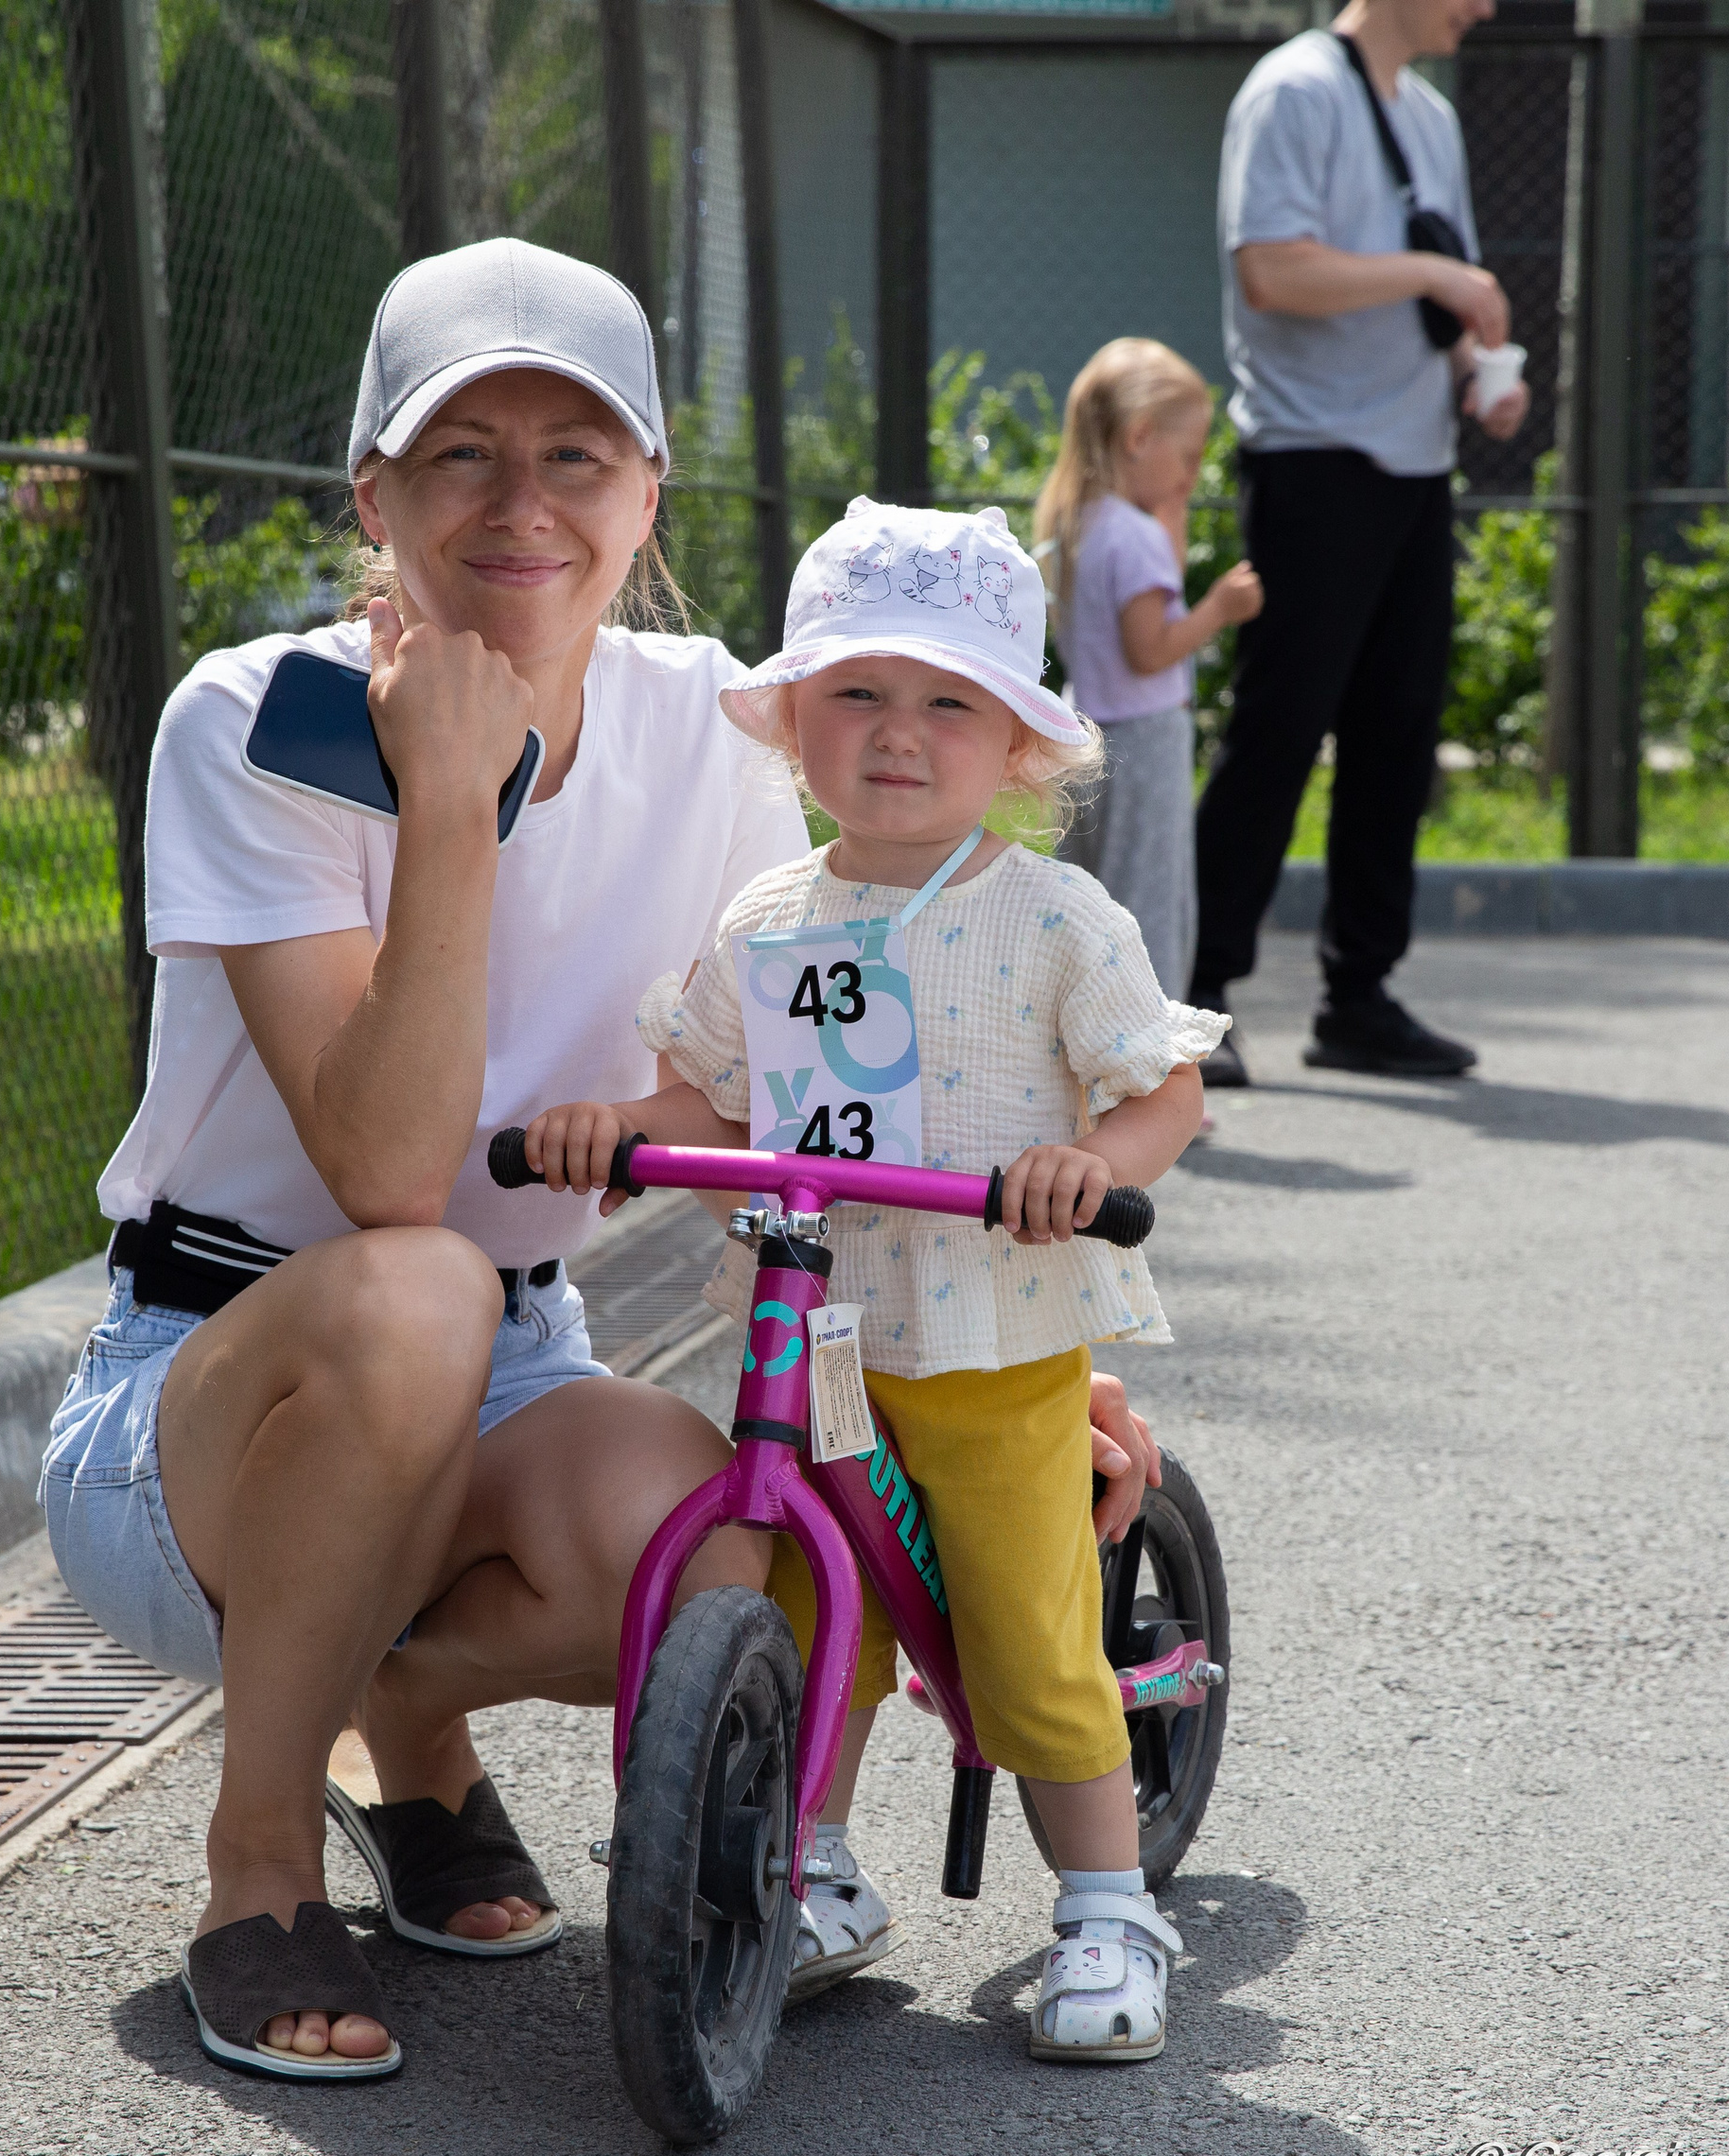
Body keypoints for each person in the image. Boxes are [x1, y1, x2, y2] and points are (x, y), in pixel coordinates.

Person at [37, 238, 1170, 2080]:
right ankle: (256, 1869)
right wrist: (451, 799)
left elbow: (844, 1076)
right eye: (459, 451)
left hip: (517, 1357)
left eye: (576, 455)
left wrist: (998, 1339)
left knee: (737, 1544)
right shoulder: (255, 721)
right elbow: (391, 1168)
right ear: (372, 493)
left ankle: (405, 1733)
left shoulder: (717, 728)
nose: (521, 501)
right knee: (416, 1283)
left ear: (646, 493)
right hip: (205, 1394)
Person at [520, 497, 1221, 2061]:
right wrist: (608, 1130)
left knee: (1027, 1627)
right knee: (788, 1589)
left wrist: (1093, 1166)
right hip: (811, 1324)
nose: (898, 734)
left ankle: (1111, 1901)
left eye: (947, 701)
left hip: (989, 1334)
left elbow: (1163, 1086)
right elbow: (714, 1099)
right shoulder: (773, 917)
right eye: (857, 694)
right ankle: (809, 1854)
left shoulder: (1050, 917)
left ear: (1019, 746)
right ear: (796, 725)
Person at [1197, 0, 1530, 1083]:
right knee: (1281, 729)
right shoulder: (1294, 92)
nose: (1481, 7)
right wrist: (1433, 277)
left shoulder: (1429, 117)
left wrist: (1478, 386)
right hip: (1313, 461)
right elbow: (1273, 270)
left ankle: (1359, 997)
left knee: (1397, 733)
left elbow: (1442, 301)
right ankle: (1194, 996)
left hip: (1416, 462)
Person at [1035, 338, 1264, 1000]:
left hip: (1089, 731)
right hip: (1147, 737)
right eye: (1188, 455)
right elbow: (1151, 650)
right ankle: (1155, 1077)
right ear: (1140, 436)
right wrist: (1219, 609)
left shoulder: (1079, 522)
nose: (1192, 475)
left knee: (1089, 896)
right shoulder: (1132, 536)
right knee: (1150, 907)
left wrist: (1171, 517)